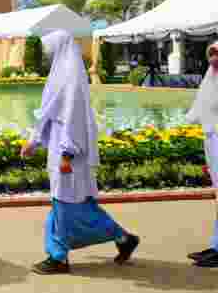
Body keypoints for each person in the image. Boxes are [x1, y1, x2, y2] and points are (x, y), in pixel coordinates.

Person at [21, 30, 140, 274]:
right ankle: (122, 238)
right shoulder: (61, 76)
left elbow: (73, 122)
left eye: (49, 51)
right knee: (70, 206)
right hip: (61, 151)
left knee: (66, 208)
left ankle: (59, 258)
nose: (47, 56)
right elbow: (50, 116)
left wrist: (67, 154)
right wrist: (35, 142)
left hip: (69, 155)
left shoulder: (72, 80)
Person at [186, 40, 218, 267]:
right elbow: (202, 105)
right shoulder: (211, 76)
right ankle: (217, 246)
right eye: (211, 52)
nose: (214, 56)